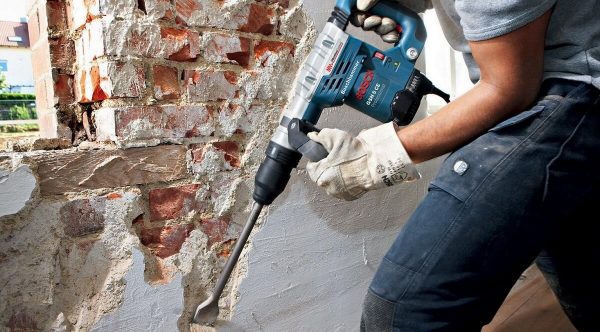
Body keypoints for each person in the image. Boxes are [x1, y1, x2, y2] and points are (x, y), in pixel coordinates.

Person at [305, 0, 600, 330]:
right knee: (582, 274)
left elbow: (508, 88)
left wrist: (377, 156)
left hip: (575, 90)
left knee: (403, 314)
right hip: (544, 79)